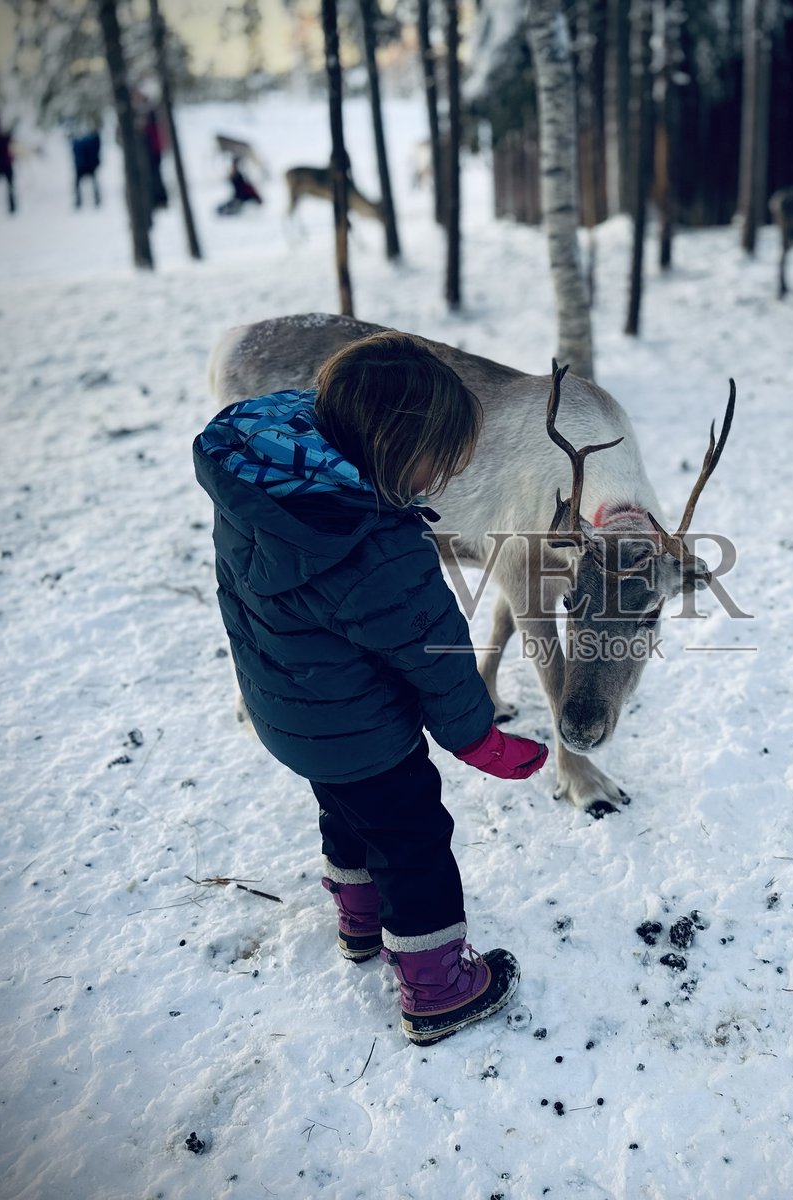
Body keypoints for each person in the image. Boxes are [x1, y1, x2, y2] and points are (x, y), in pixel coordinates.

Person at [192, 332, 547, 1046]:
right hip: (363, 727)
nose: (436, 484)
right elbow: (437, 658)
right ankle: (438, 986)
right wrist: (479, 738)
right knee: (413, 842)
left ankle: (359, 920)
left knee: (347, 810)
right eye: (432, 467)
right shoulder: (370, 543)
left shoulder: (266, 482)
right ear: (388, 446)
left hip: (294, 710)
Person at [70, 126, 102, 209]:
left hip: (84, 166)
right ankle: (81, 200)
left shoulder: (80, 140)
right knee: (83, 183)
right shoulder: (87, 140)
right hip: (85, 166)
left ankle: (83, 200)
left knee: (90, 183)